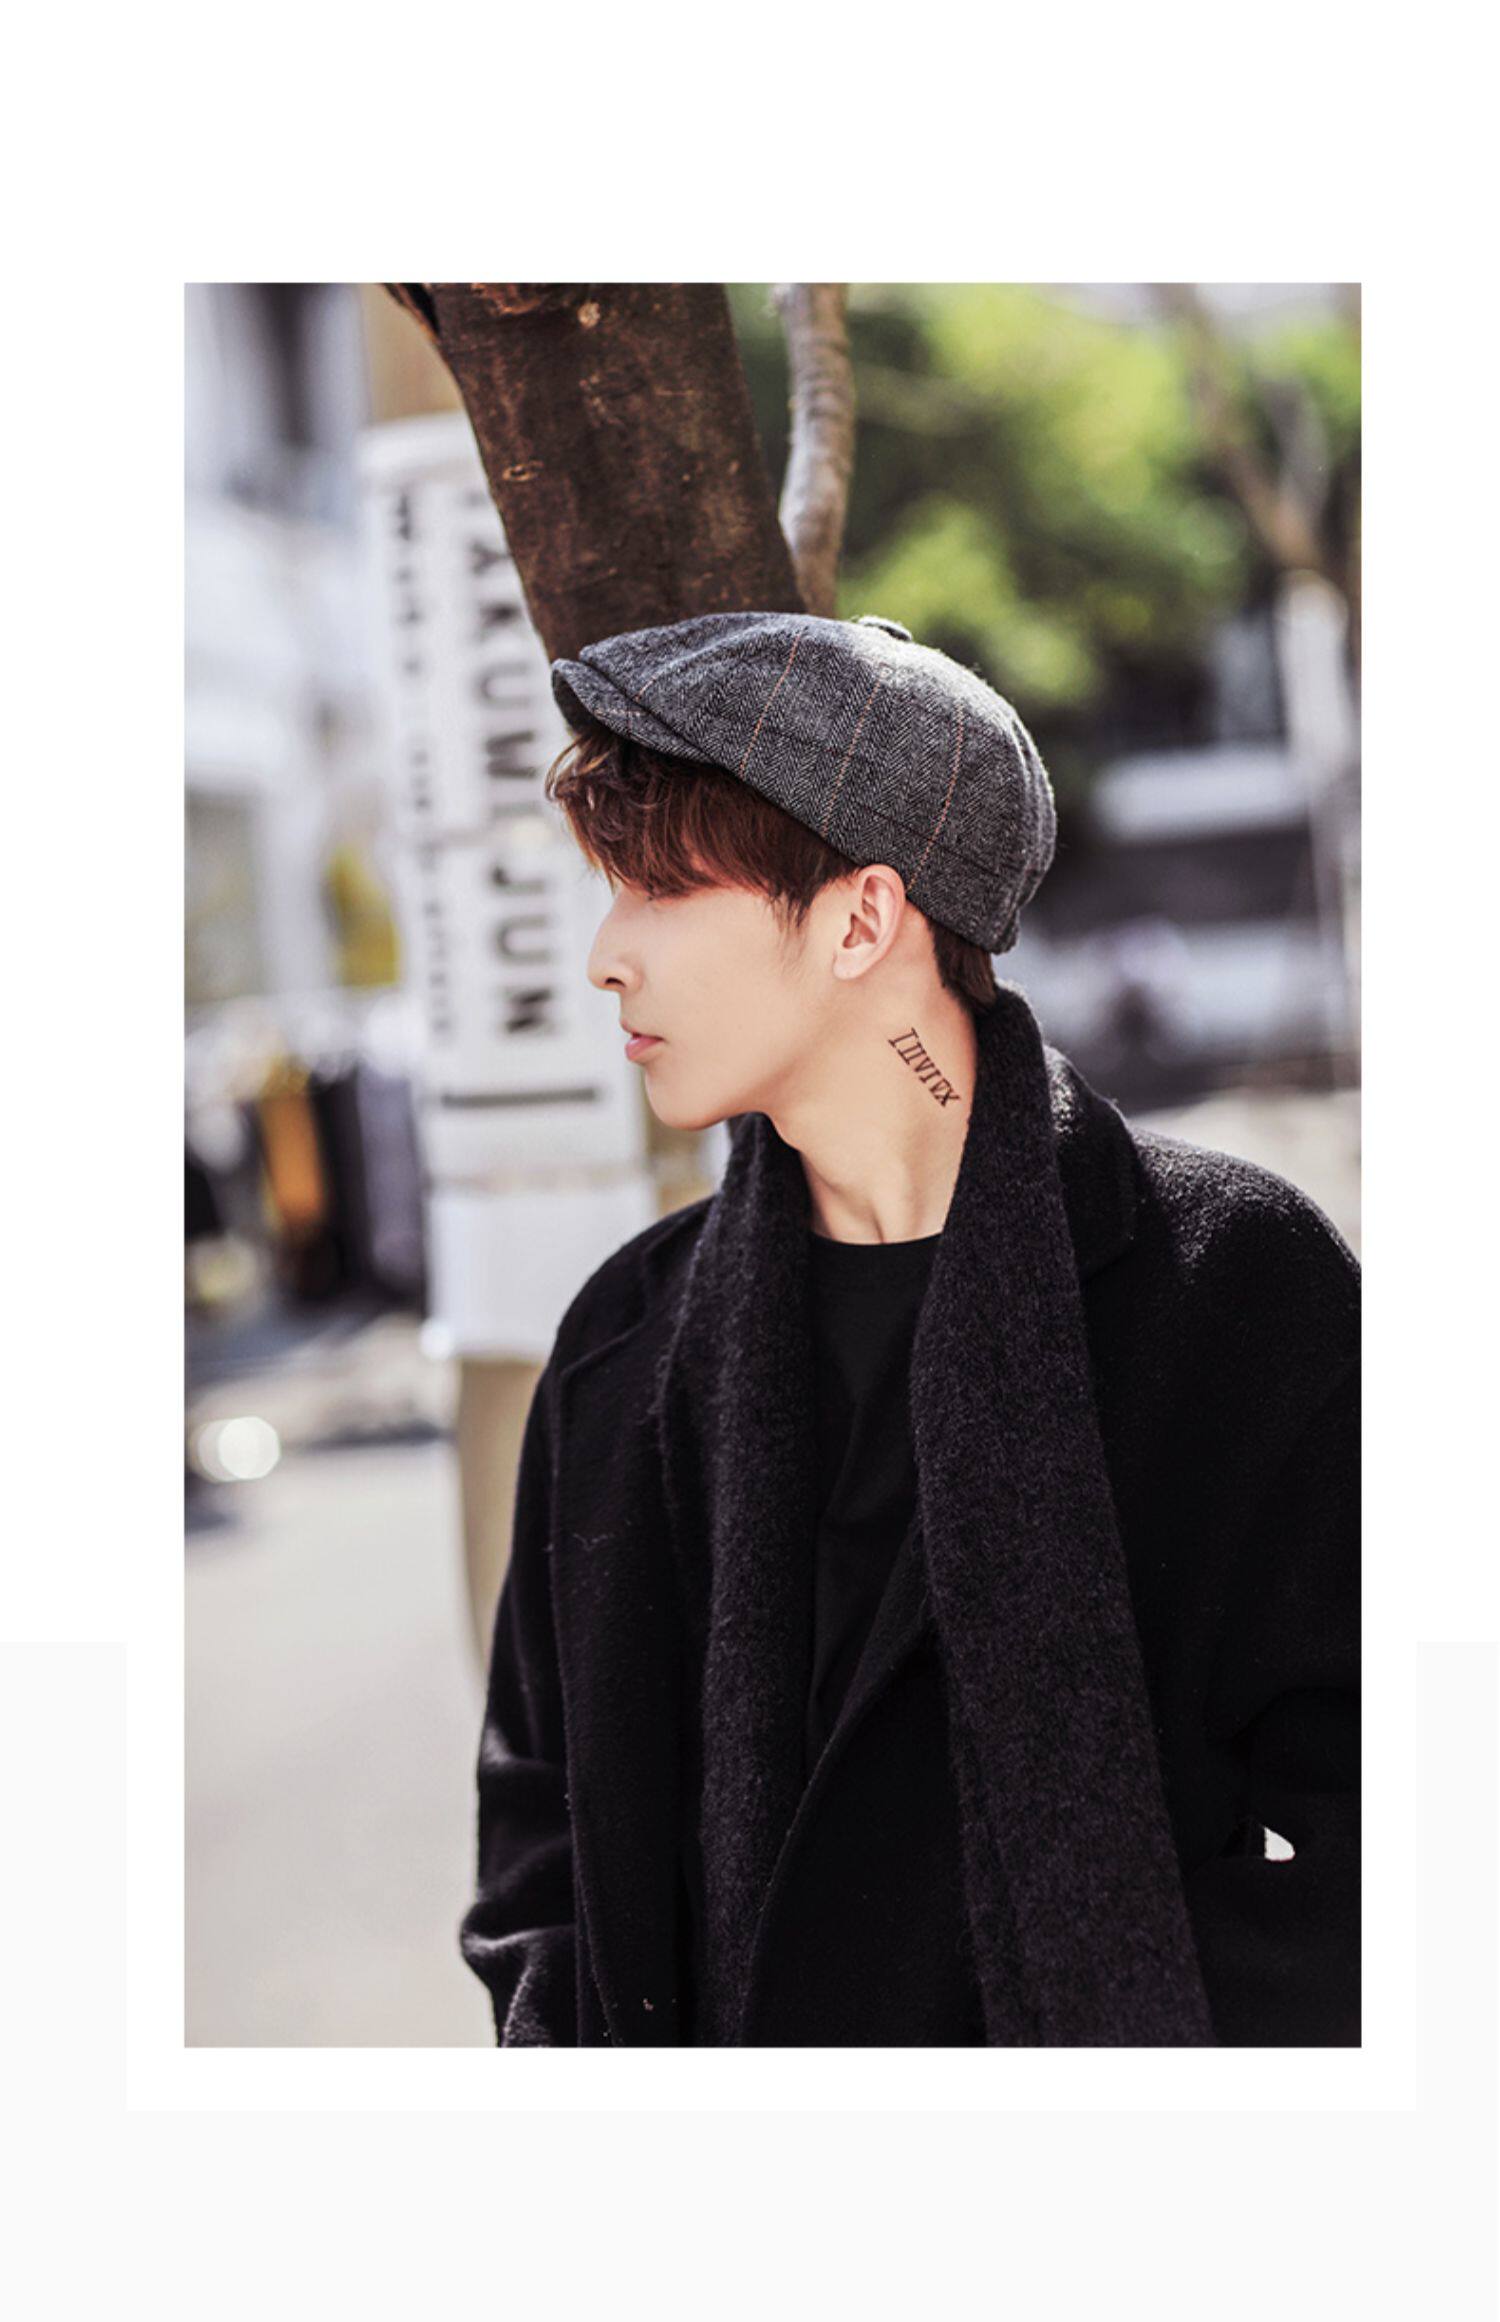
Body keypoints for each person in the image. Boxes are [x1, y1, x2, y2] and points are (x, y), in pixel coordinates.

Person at [457, 610, 1360, 2047]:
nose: (605, 957)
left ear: (863, 918)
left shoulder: (1234, 1290)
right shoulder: (628, 1340)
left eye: (658, 890)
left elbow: (1381, 1820)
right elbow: (538, 1833)